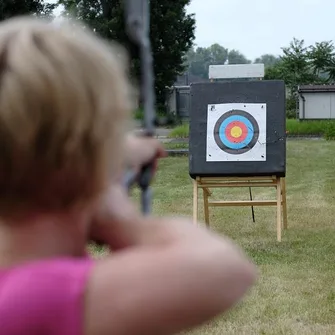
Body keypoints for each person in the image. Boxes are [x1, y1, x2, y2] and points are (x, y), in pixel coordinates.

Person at [0, 16, 257, 335]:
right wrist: (116, 213)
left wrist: (103, 157)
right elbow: (226, 269)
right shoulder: (40, 296)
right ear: (82, 162)